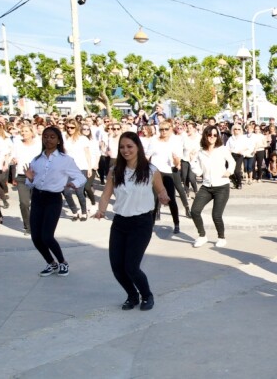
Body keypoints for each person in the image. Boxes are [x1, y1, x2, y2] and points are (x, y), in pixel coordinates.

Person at [95, 132, 169, 311]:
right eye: (122, 147)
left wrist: (164, 196)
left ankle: (147, 295)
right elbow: (106, 194)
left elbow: (161, 190)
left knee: (131, 266)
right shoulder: (115, 171)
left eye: (129, 146)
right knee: (117, 267)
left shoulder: (151, 170)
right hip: (120, 223)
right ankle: (132, 295)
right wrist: (101, 210)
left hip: (141, 223)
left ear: (138, 148)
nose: (125, 150)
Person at [25, 127, 86, 277]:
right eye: (45, 136)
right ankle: (51, 263)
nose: (48, 139)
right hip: (38, 197)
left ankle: (62, 262)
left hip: (53, 199)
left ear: (58, 140)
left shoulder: (65, 160)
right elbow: (30, 183)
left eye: (52, 137)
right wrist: (30, 179)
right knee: (36, 237)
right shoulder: (37, 159)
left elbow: (81, 177)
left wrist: (74, 184)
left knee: (47, 236)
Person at [190, 126, 236, 248]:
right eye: (210, 135)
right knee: (194, 211)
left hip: (222, 186)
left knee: (216, 214)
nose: (212, 137)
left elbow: (232, 162)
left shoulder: (222, 149)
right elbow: (197, 170)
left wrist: (229, 171)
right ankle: (202, 236)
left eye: (215, 135)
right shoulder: (200, 152)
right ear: (205, 135)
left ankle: (221, 237)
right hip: (206, 186)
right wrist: (192, 162)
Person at [11, 125, 42, 235]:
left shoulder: (38, 145)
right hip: (21, 176)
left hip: (36, 177)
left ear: (32, 132)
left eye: (26, 131)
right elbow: (12, 157)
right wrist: (13, 159)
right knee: (24, 203)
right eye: (22, 131)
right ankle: (28, 227)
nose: (24, 133)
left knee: (37, 203)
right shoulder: (17, 144)